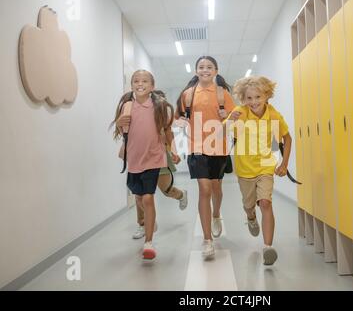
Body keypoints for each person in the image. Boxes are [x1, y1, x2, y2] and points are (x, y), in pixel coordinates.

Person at [224, 76, 292, 265]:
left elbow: (287, 138)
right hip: (245, 168)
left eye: (257, 97)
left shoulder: (273, 114)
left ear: (266, 95)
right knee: (249, 204)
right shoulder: (240, 112)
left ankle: (268, 248)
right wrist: (230, 120)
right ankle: (250, 216)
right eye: (249, 98)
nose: (253, 102)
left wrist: (284, 164)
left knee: (266, 203)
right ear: (243, 99)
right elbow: (221, 133)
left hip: (265, 166)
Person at [175, 56, 235, 260]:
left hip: (218, 148)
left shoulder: (223, 94)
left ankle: (216, 213)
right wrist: (180, 122)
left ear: (216, 71)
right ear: (196, 71)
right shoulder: (188, 94)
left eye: (209, 67)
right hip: (196, 148)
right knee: (205, 189)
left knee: (216, 189)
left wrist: (228, 116)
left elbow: (234, 118)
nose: (205, 70)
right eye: (201, 67)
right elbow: (180, 116)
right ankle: (207, 240)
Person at [112, 70, 175, 260]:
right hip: (134, 160)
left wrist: (172, 151)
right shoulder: (127, 106)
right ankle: (149, 221)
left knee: (148, 198)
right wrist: (118, 123)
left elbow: (166, 130)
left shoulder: (159, 106)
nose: (140, 83)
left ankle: (149, 243)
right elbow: (122, 129)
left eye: (144, 80)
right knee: (139, 198)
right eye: (136, 81)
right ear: (131, 85)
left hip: (154, 158)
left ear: (152, 86)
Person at [117, 90, 188, 240]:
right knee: (139, 195)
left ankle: (181, 195)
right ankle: (143, 224)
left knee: (166, 190)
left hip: (158, 156)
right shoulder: (135, 110)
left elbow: (169, 133)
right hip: (139, 158)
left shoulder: (161, 114)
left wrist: (174, 151)